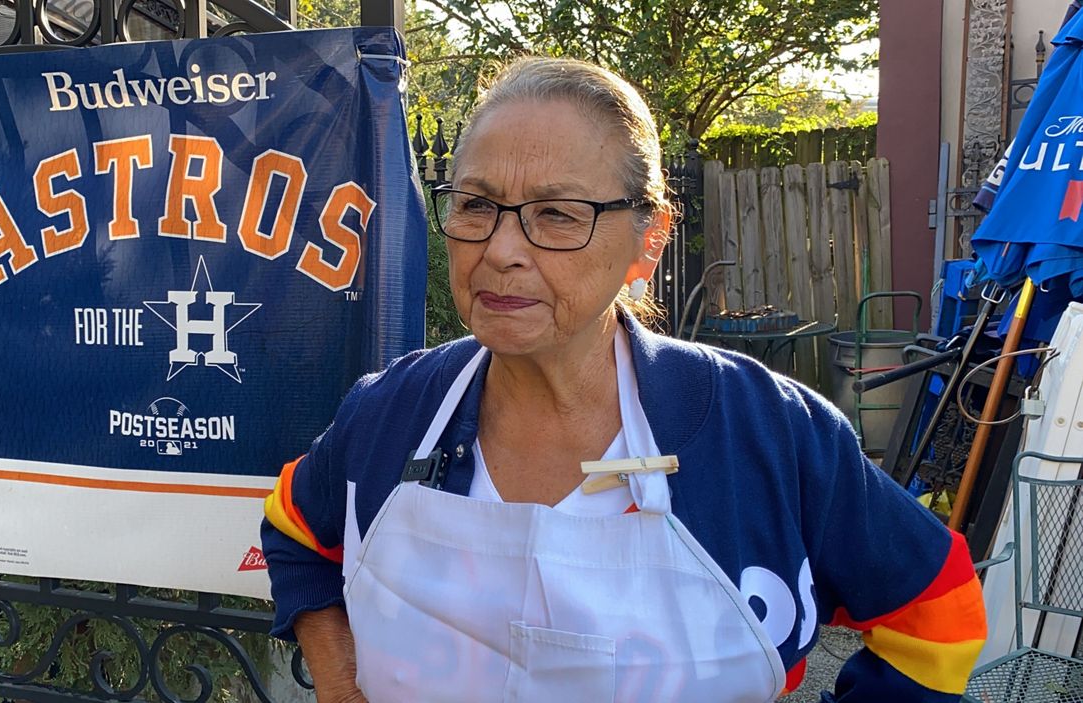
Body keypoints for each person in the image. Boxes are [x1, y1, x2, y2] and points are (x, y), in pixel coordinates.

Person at [262, 57, 987, 703]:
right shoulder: (392, 412)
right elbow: (294, 529)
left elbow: (939, 609)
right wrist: (339, 683)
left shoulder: (765, 430)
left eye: (557, 214)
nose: (501, 249)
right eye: (476, 204)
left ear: (649, 239)